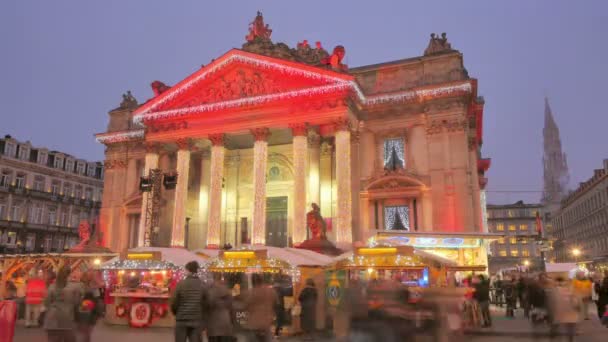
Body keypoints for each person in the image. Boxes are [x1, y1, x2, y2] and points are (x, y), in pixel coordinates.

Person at [170, 261, 207, 342]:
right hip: (196, 320)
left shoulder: (181, 284)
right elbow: (206, 302)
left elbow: (174, 301)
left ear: (188, 270)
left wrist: (176, 312)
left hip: (181, 319)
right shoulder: (202, 284)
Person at [43, 265, 82, 342]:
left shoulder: (52, 286)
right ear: (70, 274)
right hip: (67, 319)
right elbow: (77, 303)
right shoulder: (75, 286)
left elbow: (46, 302)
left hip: (52, 319)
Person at [243, 274, 277, 342]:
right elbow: (275, 303)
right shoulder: (270, 291)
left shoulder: (251, 292)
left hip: (254, 323)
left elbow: (246, 305)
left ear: (253, 282)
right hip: (266, 322)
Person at [548, 277, 579, 342]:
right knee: (569, 329)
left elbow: (553, 301)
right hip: (568, 313)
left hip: (562, 312)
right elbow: (576, 302)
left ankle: (554, 337)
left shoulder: (556, 290)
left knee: (558, 328)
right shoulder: (571, 290)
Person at [75, 271, 103, 342]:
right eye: (89, 275)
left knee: (86, 331)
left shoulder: (89, 284)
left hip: (90, 308)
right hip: (86, 308)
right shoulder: (81, 285)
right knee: (85, 331)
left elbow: (102, 285)